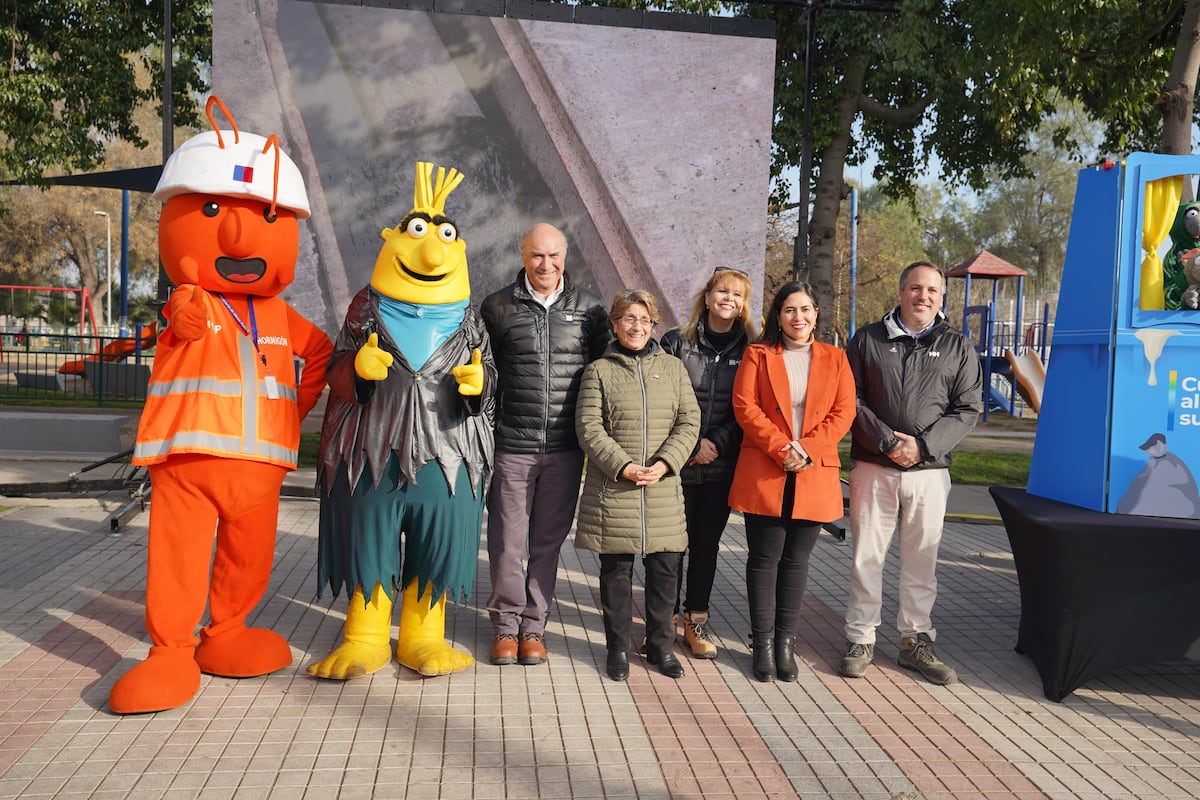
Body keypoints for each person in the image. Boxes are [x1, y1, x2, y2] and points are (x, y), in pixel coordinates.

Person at [838, 261, 982, 686]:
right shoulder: (867, 339)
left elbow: (967, 408)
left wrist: (921, 446)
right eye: (916, 288)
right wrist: (886, 442)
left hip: (929, 472)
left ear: (941, 297)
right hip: (873, 467)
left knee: (922, 560)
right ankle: (861, 637)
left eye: (933, 290)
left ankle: (915, 640)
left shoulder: (957, 346)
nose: (924, 296)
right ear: (901, 292)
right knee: (867, 557)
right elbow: (850, 398)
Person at [480, 223, 610, 667]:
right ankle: (505, 626)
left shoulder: (590, 309)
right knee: (506, 541)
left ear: (565, 257)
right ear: (523, 255)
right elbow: (485, 375)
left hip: (565, 450)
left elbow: (605, 374)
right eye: (537, 255)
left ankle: (533, 627)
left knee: (547, 543)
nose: (546, 264)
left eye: (554, 255)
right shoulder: (497, 307)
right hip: (511, 447)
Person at [727, 282, 855, 682]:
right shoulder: (757, 354)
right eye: (789, 310)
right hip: (766, 468)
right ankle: (763, 644)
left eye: (805, 309)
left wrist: (806, 448)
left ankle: (786, 644)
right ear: (777, 317)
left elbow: (843, 411)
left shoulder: (836, 358)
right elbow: (745, 406)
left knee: (797, 562)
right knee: (764, 560)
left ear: (816, 314)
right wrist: (782, 448)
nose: (798, 317)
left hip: (814, 470)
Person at [575, 289, 700, 681]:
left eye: (645, 320)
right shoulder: (599, 371)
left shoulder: (674, 369)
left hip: (662, 489)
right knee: (616, 574)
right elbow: (588, 427)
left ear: (653, 326)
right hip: (616, 490)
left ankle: (661, 647)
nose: (637, 326)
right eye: (629, 318)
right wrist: (623, 466)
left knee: (666, 572)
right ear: (615, 323)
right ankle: (617, 648)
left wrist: (665, 464)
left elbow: (689, 421)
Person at [659, 267, 756, 659]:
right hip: (676, 464)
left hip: (721, 464)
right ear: (708, 296)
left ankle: (695, 619)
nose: (728, 299)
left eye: (737, 294)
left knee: (705, 546)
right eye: (722, 291)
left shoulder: (752, 349)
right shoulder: (675, 342)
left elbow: (750, 407)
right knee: (669, 548)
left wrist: (715, 442)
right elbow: (661, 399)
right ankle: (663, 621)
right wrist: (687, 444)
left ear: (744, 304)